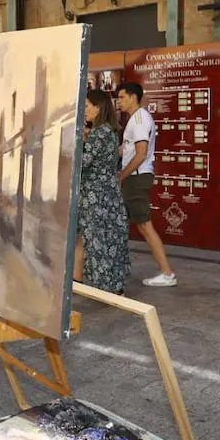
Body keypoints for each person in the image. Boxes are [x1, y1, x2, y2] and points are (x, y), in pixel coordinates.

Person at [115, 82, 176, 287]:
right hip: (135, 177)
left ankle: (167, 273)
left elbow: (141, 153)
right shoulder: (135, 119)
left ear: (133, 97)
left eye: (122, 97)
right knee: (129, 224)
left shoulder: (139, 120)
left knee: (144, 225)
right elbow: (126, 149)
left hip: (136, 178)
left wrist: (122, 175)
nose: (119, 101)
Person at [73, 90, 130, 294]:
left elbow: (84, 162)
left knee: (99, 241)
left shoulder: (101, 132)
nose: (85, 110)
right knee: (89, 237)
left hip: (96, 196)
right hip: (106, 193)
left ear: (98, 107)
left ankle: (108, 289)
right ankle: (77, 282)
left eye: (87, 106)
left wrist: (76, 143)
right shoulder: (109, 131)